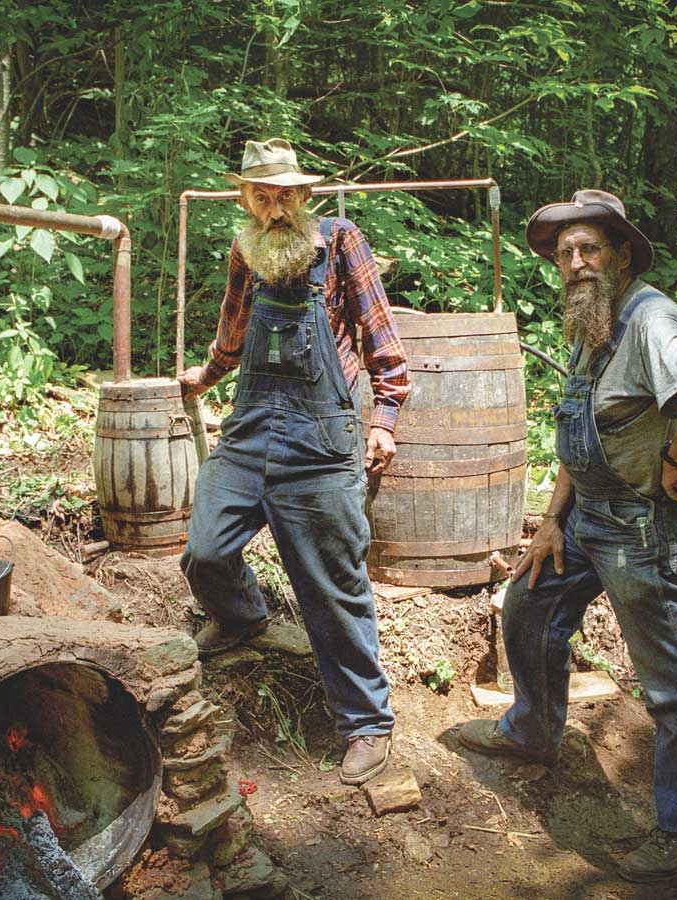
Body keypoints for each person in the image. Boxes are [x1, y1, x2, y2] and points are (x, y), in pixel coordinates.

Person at [455, 189, 677, 882]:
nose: (575, 263)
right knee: (528, 605)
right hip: (587, 521)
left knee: (670, 686)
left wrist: (675, 463)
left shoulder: (651, 320)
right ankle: (532, 731)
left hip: (641, 532)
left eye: (588, 250)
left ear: (620, 255)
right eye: (563, 254)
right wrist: (551, 521)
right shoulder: (594, 326)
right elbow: (580, 436)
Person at [177, 138, 409, 786]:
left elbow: (385, 346)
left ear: (304, 195)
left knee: (332, 585)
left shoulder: (339, 242)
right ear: (245, 197)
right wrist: (205, 375)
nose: (274, 207)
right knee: (205, 548)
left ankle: (368, 723)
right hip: (251, 432)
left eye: (285, 194)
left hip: (321, 443)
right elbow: (233, 334)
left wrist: (385, 421)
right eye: (261, 194)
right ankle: (243, 616)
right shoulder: (244, 251)